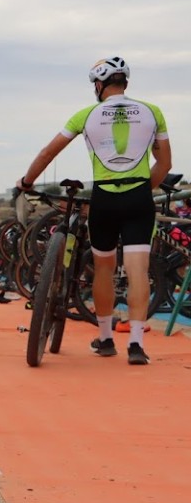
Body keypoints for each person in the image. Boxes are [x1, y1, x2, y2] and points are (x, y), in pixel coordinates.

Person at [18, 56, 171, 365]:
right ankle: (137, 345)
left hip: (104, 198)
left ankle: (105, 338)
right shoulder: (153, 112)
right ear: (125, 82)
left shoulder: (86, 115)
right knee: (137, 269)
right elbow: (165, 164)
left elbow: (48, 152)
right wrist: (142, 191)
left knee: (103, 266)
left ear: (100, 85)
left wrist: (27, 181)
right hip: (139, 196)